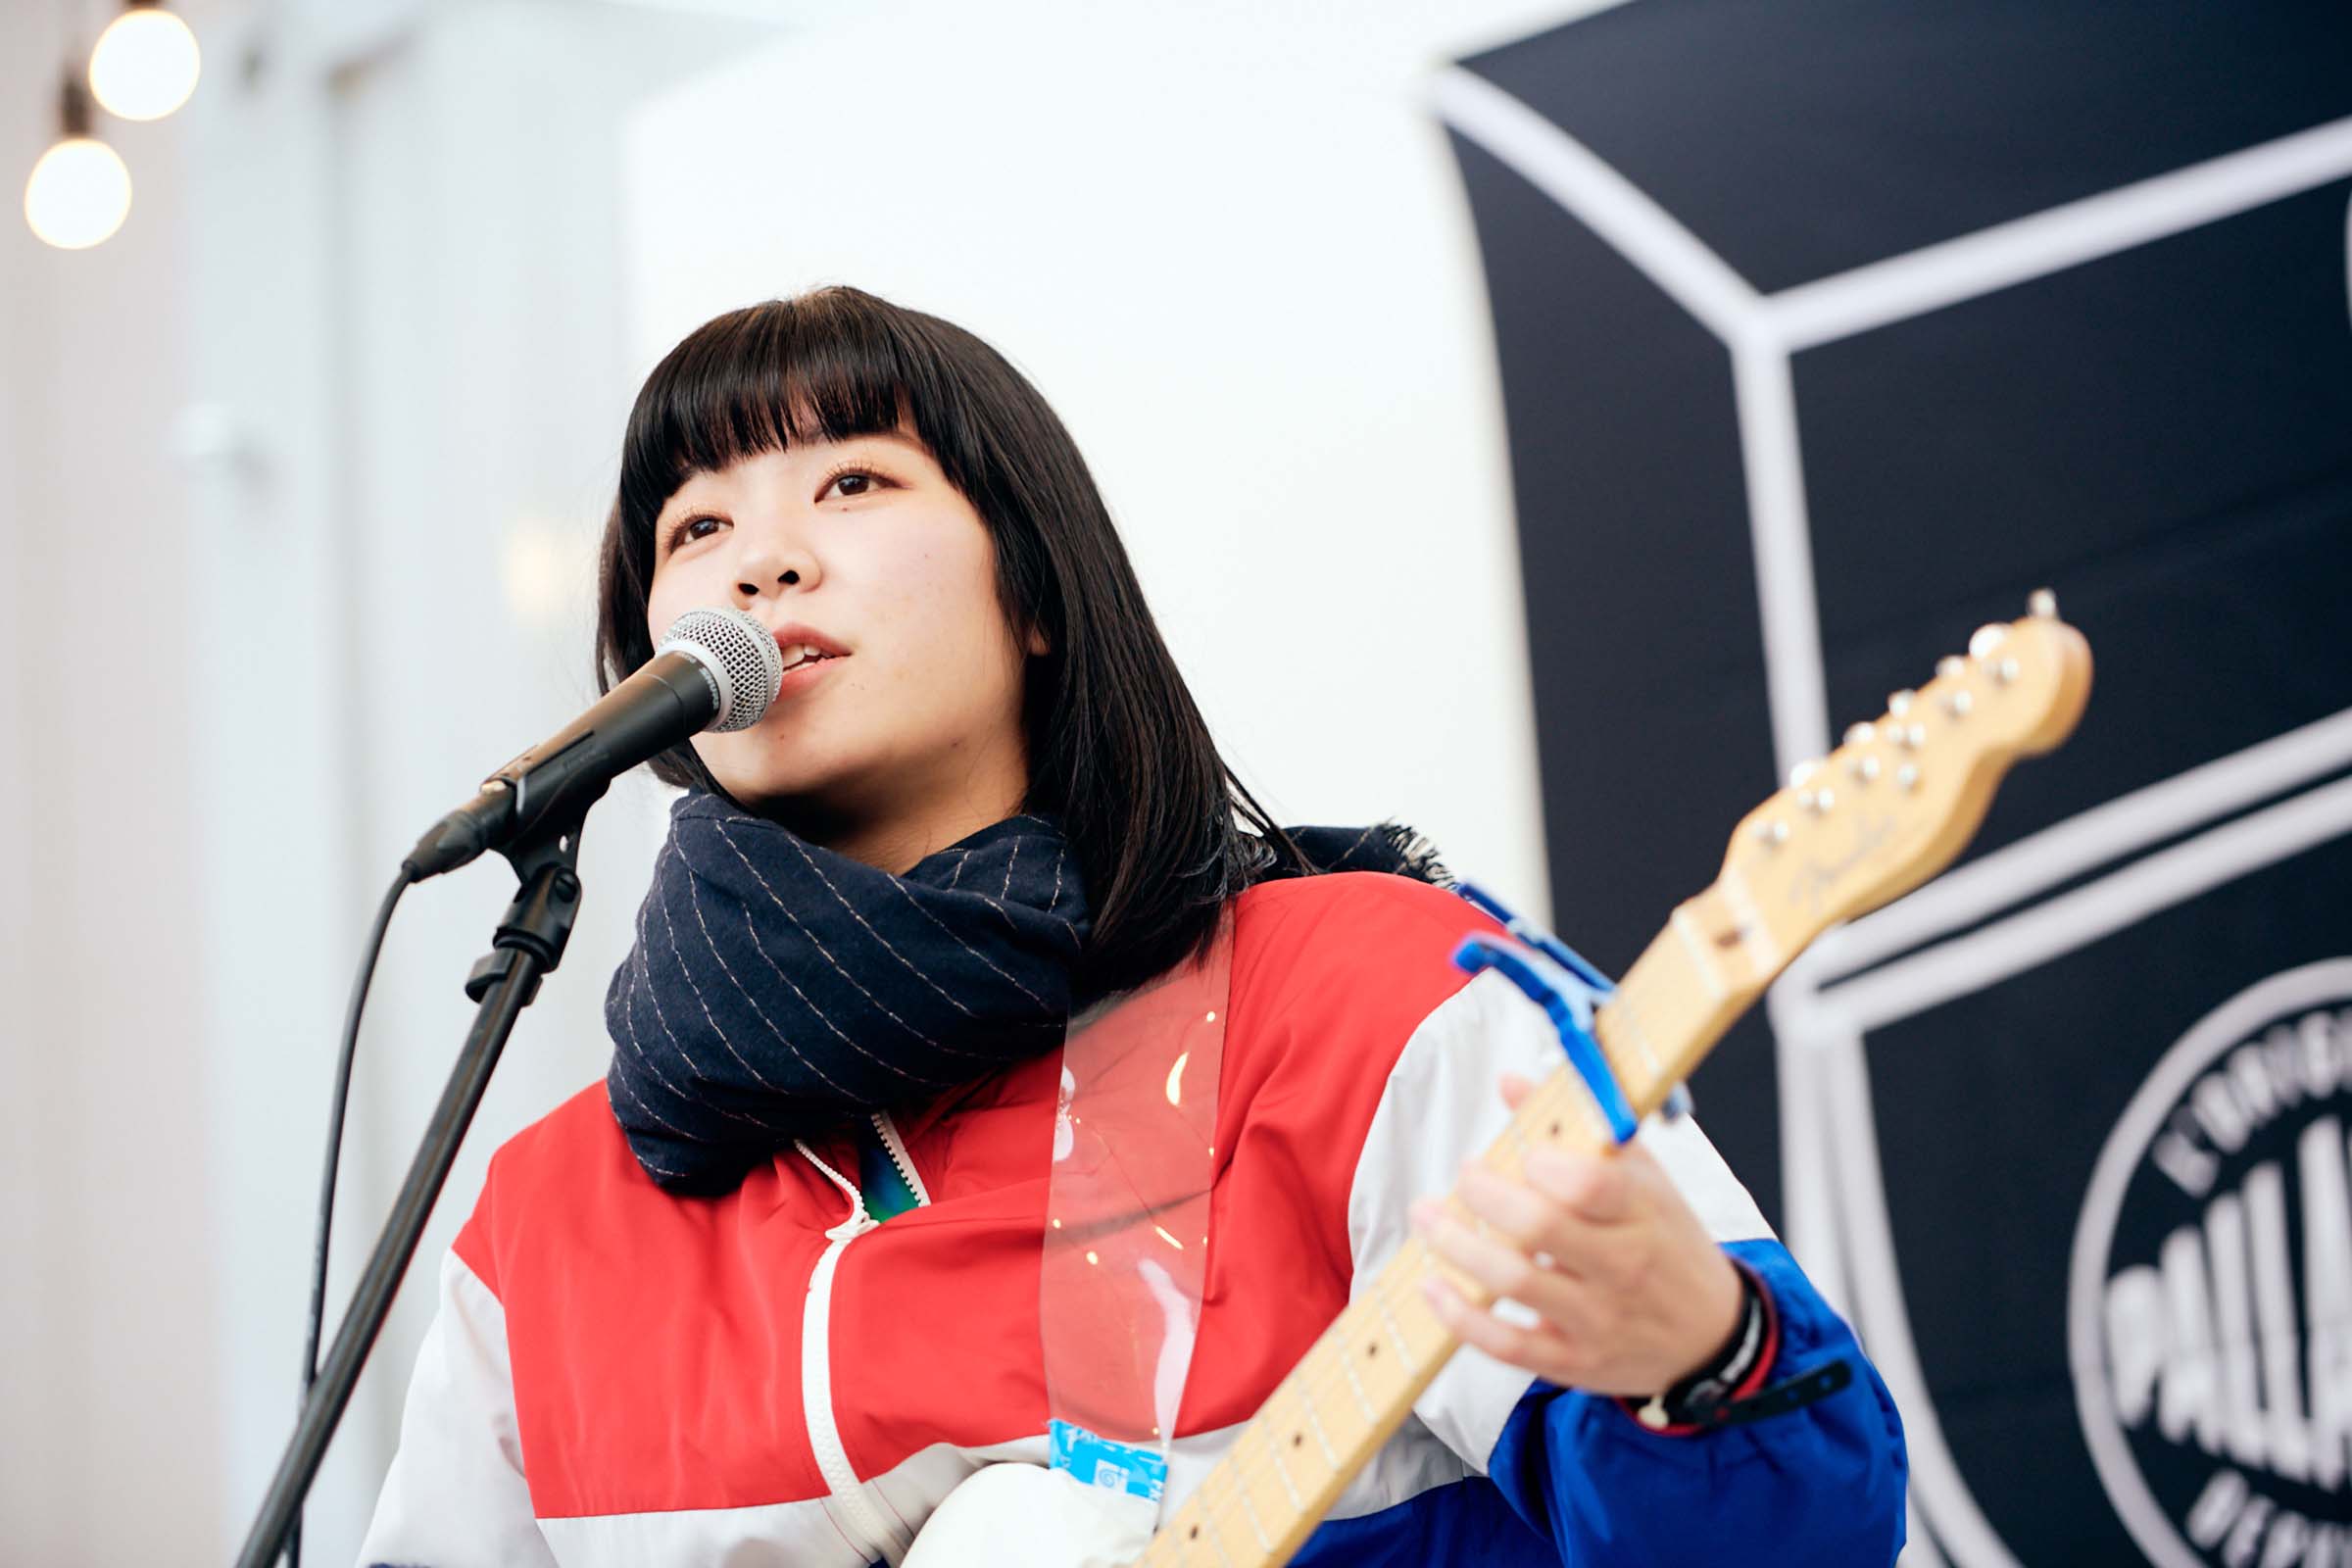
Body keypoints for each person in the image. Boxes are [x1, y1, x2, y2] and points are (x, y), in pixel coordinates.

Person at [358, 285, 1907, 1566]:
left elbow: (1811, 1546)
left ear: (1035, 591)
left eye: (853, 483)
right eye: (695, 527)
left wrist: (1703, 1360)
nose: (759, 559)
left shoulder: (1370, 1003)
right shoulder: (543, 1224)